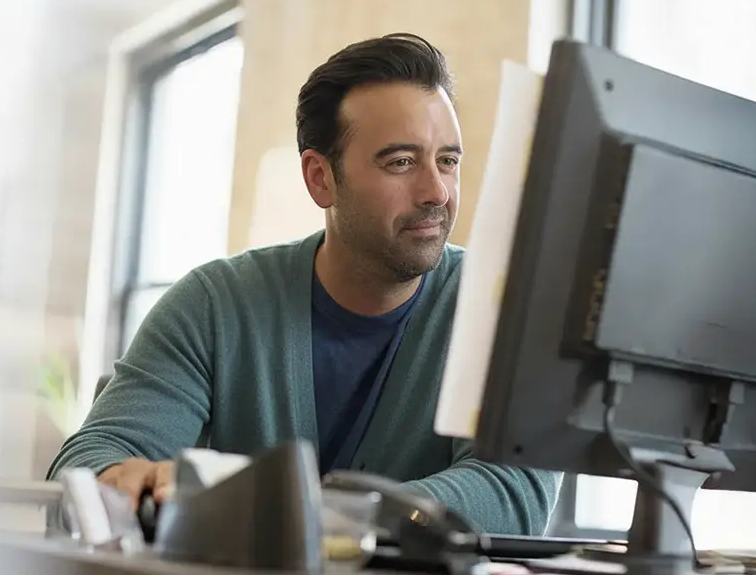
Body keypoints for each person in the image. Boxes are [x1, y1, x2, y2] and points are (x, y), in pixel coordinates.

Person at [49, 33, 560, 535]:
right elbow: (91, 463)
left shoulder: (500, 308)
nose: (436, 192)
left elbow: (513, 492)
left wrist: (318, 514)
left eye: (447, 161)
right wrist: (115, 481)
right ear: (320, 177)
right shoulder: (213, 305)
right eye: (401, 162)